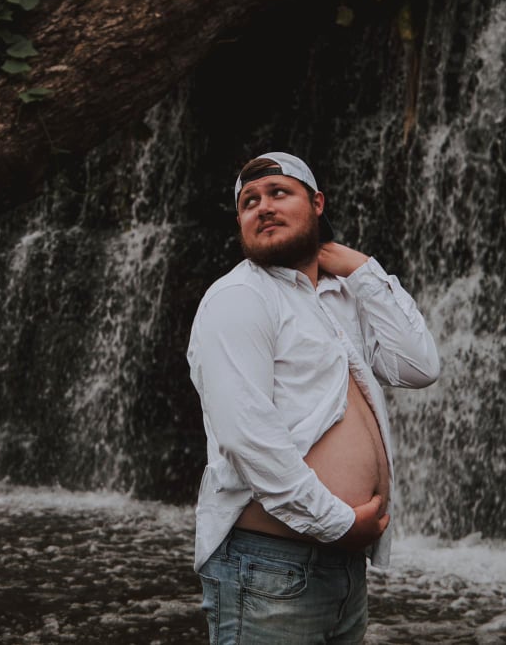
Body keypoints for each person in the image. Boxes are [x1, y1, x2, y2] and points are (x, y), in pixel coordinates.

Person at [187, 151, 440, 644]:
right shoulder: (238, 299)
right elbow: (249, 439)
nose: (263, 207)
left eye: (278, 193)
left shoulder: (343, 296)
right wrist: (338, 523)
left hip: (340, 568)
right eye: (248, 202)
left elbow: (418, 366)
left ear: (317, 202)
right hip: (268, 566)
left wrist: (364, 270)